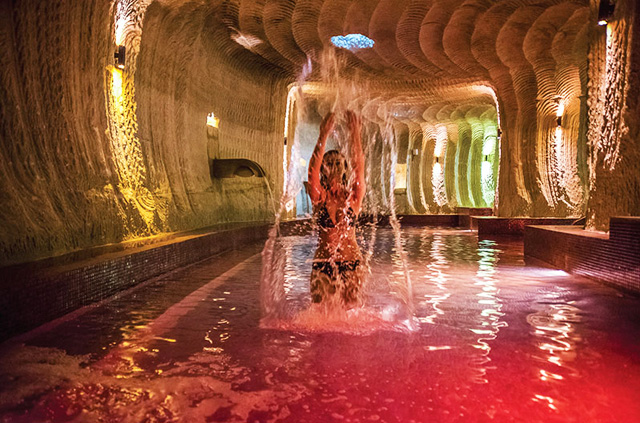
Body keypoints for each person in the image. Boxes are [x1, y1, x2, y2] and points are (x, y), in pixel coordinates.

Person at [307, 111, 366, 306]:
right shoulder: (319, 196)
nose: (333, 166)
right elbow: (312, 173)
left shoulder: (353, 197)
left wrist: (355, 133)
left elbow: (360, 167)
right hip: (323, 264)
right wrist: (323, 135)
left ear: (344, 168)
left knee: (351, 315)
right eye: (329, 163)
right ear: (323, 168)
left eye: (338, 163)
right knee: (318, 315)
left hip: (352, 263)